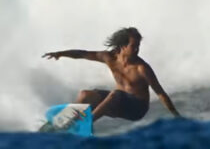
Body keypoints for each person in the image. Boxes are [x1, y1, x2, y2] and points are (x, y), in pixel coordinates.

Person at [43, 27, 181, 123]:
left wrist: (176, 115)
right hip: (118, 103)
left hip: (136, 109)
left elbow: (160, 92)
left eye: (138, 46)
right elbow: (82, 54)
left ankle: (86, 124)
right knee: (85, 95)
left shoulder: (142, 68)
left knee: (116, 94)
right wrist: (60, 53)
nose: (137, 50)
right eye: (134, 46)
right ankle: (64, 122)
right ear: (123, 46)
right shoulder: (109, 58)